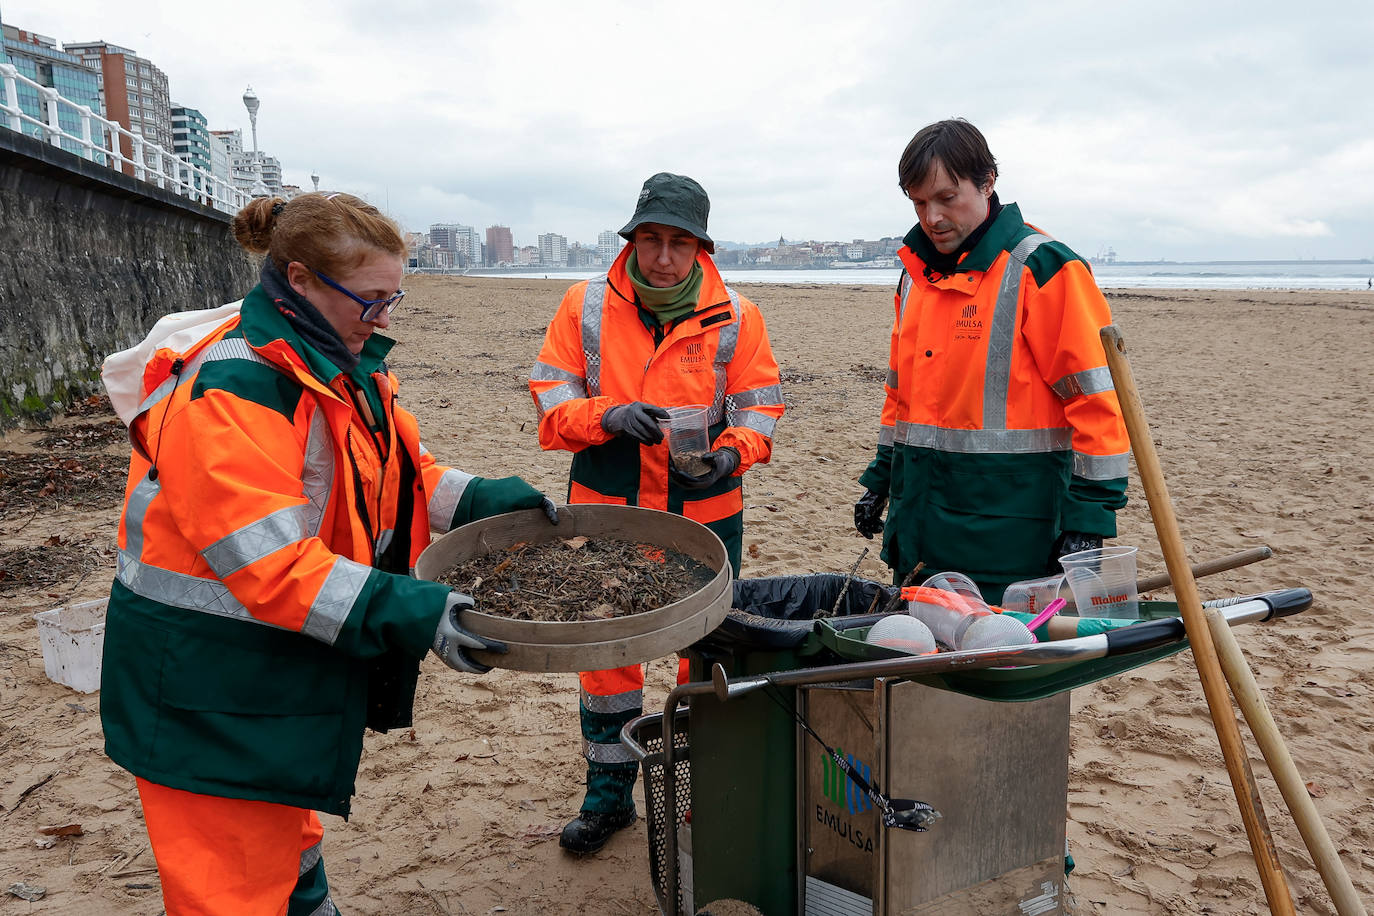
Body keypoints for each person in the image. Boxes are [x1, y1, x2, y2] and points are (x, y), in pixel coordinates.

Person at [99, 191, 558, 915]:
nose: (383, 317)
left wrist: (475, 502)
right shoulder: (237, 387)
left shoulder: (339, 359)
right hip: (204, 682)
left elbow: (401, 473)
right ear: (302, 279)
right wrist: (415, 611)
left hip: (277, 670)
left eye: (393, 298)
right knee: (231, 884)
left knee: (288, 834)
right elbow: (267, 562)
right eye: (370, 299)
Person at [528, 172, 784, 854]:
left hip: (704, 513)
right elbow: (551, 398)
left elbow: (760, 407)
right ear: (633, 238)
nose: (662, 256)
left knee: (703, 656)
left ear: (701, 247)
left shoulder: (738, 315)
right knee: (607, 659)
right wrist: (603, 415)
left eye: (678, 242)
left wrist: (733, 454)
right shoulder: (583, 305)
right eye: (650, 239)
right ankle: (608, 797)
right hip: (604, 514)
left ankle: (699, 798)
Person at [853, 119, 1130, 603]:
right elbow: (901, 397)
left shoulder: (1043, 269)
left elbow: (1097, 404)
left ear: (987, 182)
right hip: (920, 519)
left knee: (1012, 665)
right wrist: (881, 477)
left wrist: (1089, 520)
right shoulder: (914, 278)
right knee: (918, 659)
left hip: (1013, 530)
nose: (932, 217)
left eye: (946, 197)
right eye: (919, 203)